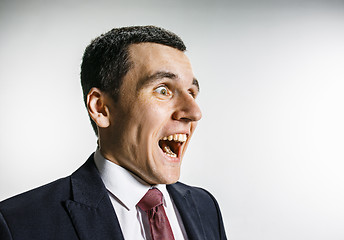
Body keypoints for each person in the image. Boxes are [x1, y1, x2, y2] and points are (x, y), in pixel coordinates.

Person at [0, 26, 227, 240]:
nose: (194, 112)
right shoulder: (18, 223)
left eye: (191, 92)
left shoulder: (205, 206)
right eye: (163, 90)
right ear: (101, 108)